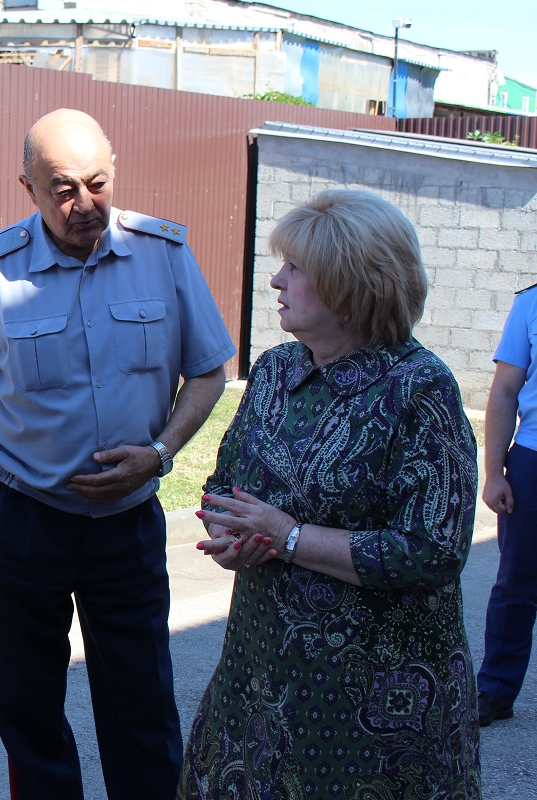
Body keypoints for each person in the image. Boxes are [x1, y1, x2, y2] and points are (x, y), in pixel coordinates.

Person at [0, 108, 234, 800]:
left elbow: (211, 370)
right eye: (62, 189)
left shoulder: (164, 254)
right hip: (27, 520)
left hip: (127, 524)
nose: (83, 205)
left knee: (142, 707)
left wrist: (160, 453)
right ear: (28, 188)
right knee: (28, 708)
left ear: (114, 173)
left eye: (96, 184)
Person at [180, 189, 480, 799]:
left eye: (295, 268)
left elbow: (433, 552)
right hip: (260, 675)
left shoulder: (420, 390)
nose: (275, 280)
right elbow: (224, 486)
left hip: (376, 707)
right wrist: (231, 534)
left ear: (349, 284)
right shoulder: (274, 371)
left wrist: (287, 537)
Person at [476, 282, 537, 727]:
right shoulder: (530, 303)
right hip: (533, 461)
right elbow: (503, 392)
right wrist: (494, 472)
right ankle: (495, 689)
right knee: (516, 584)